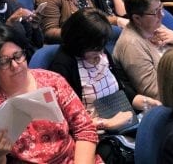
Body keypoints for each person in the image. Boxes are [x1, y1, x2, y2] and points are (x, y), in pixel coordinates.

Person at [0, 25, 100, 164]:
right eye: (4, 62)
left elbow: (84, 129)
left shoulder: (51, 80)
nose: (16, 65)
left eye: (18, 56)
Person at [49, 9, 159, 143]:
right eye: (95, 48)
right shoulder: (63, 66)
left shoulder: (101, 52)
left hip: (120, 121)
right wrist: (107, 123)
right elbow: (66, 123)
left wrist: (147, 103)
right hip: (92, 134)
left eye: (102, 46)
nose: (100, 53)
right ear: (79, 43)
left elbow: (120, 90)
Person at [113, 0, 173, 98]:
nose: (161, 15)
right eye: (155, 12)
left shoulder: (155, 26)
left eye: (161, 8)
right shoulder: (131, 46)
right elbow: (155, 93)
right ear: (137, 18)